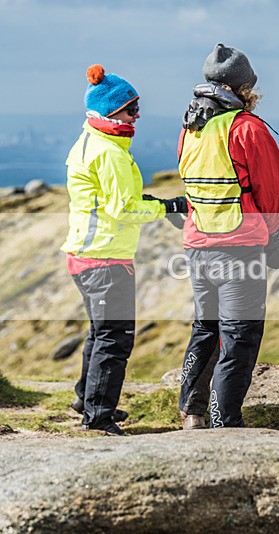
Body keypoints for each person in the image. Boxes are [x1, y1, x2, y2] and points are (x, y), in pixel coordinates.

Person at [63, 65, 188, 436]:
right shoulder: (110, 154)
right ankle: (98, 417)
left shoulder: (88, 140)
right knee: (115, 338)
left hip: (84, 255)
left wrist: (156, 202)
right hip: (105, 258)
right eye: (131, 108)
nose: (137, 115)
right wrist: (168, 207)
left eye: (137, 106)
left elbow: (113, 200)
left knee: (99, 333)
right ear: (109, 112)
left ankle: (86, 398)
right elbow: (124, 209)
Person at [177, 43, 279, 429]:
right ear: (244, 87)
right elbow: (274, 194)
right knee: (239, 336)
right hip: (239, 250)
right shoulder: (246, 128)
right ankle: (224, 422)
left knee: (205, 328)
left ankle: (192, 413)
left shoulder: (190, 128)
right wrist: (272, 237)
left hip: (197, 247)